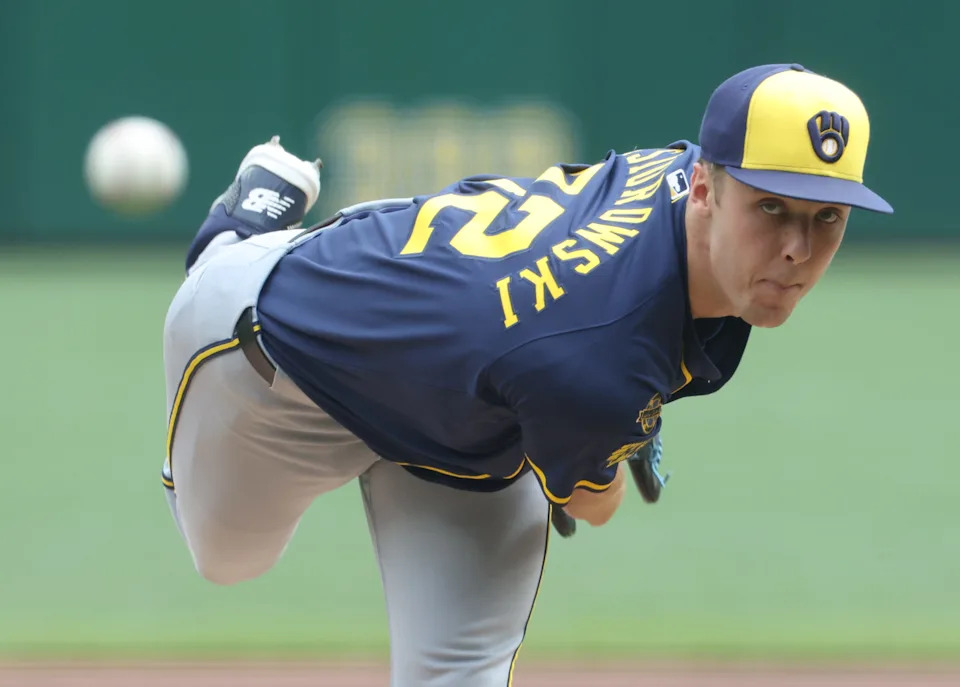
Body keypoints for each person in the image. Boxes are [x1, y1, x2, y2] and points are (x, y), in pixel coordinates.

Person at [160, 63, 892, 686]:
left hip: (471, 414)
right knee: (229, 559)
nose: (797, 247)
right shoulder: (597, 362)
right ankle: (239, 233)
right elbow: (591, 500)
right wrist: (609, 431)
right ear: (704, 188)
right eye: (771, 207)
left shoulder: (673, 178)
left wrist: (609, 416)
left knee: (463, 673)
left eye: (827, 217)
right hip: (291, 358)